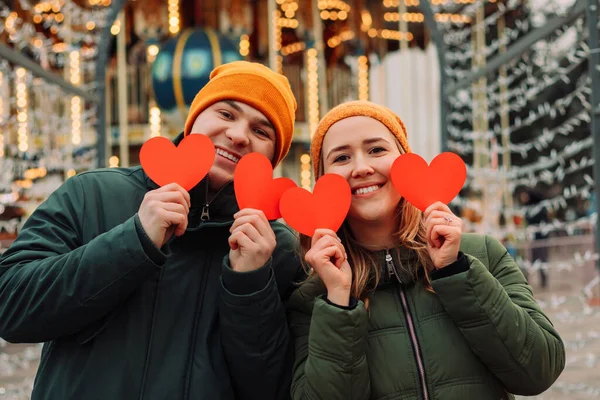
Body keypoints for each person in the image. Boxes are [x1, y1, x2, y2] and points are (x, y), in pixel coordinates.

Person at [0, 61, 303, 400]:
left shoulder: (280, 250)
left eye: (261, 131)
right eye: (226, 114)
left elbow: (271, 388)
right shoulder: (92, 194)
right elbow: (11, 306)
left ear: (273, 157)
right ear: (194, 120)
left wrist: (251, 284)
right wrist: (134, 240)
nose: (238, 135)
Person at [287, 101, 565, 399]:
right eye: (341, 157)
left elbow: (539, 371)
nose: (362, 167)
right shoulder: (315, 297)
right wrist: (339, 304)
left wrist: (456, 272)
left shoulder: (482, 255)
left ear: (404, 161)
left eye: (377, 150)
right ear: (323, 180)